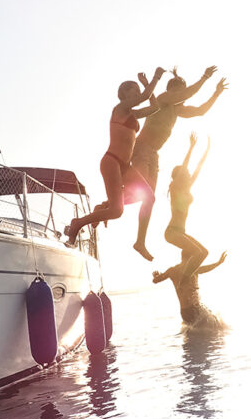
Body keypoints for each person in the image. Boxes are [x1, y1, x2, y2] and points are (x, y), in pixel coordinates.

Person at [64, 67, 165, 260]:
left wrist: (146, 85)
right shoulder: (119, 109)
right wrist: (156, 78)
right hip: (111, 161)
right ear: (124, 95)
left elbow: (155, 108)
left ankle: (140, 242)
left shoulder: (133, 115)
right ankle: (78, 223)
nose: (137, 92)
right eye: (133, 90)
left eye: (137, 89)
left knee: (149, 197)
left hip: (126, 166)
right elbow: (144, 97)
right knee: (117, 211)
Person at [129, 66, 227, 242]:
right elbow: (186, 95)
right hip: (141, 148)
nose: (182, 98)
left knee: (148, 198)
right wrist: (204, 77)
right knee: (141, 192)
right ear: (172, 90)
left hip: (153, 154)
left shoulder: (176, 110)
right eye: (180, 92)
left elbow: (200, 111)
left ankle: (139, 241)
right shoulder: (163, 99)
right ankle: (107, 206)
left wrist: (216, 93)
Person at [162, 133, 211, 281]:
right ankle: (184, 280)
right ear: (179, 176)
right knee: (197, 252)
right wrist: (191, 148)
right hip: (172, 232)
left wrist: (207, 150)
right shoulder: (175, 188)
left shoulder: (186, 188)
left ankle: (185, 278)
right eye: (186, 172)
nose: (189, 173)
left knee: (204, 253)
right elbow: (185, 167)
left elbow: (198, 168)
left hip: (181, 232)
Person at [152, 250, 228, 328]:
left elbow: (155, 281)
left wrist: (156, 276)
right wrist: (218, 263)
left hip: (184, 311)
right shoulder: (193, 269)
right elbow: (207, 268)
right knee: (216, 327)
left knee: (192, 336)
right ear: (192, 258)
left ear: (181, 257)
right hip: (195, 309)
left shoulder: (172, 270)